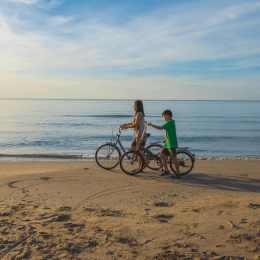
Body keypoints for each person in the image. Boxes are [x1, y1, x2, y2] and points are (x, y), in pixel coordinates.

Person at [147, 109, 181, 178]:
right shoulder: (170, 122)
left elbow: (160, 128)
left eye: (164, 117)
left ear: (167, 116)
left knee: (174, 159)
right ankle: (166, 170)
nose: (164, 119)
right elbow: (166, 131)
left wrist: (151, 125)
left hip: (171, 144)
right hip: (167, 144)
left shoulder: (170, 122)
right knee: (161, 155)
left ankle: (178, 173)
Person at [123, 100, 149, 171]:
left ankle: (140, 167)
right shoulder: (136, 114)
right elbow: (132, 123)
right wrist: (125, 125)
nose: (133, 107)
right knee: (132, 149)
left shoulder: (139, 114)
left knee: (139, 153)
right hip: (136, 135)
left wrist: (127, 127)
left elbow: (136, 124)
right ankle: (145, 161)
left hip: (140, 135)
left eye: (134, 105)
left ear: (138, 106)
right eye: (133, 105)